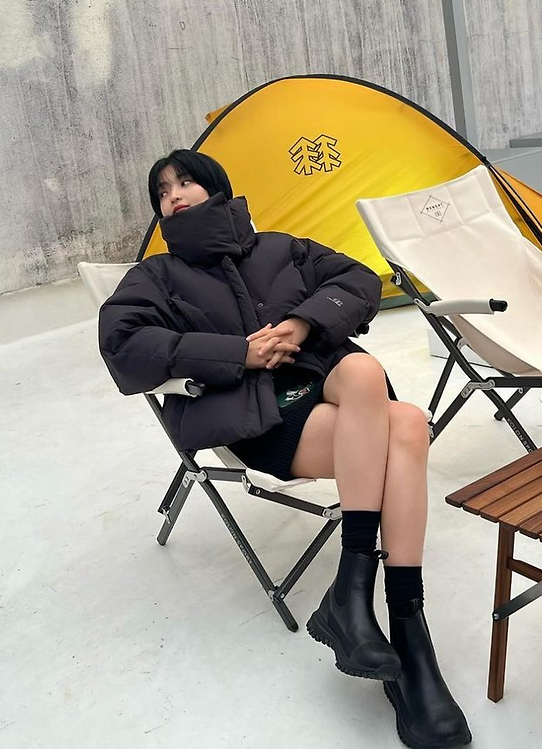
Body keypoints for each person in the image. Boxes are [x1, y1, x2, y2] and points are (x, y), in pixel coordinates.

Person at [98, 149, 471, 749]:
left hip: (332, 386)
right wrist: (236, 354)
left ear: (217, 188)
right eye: (162, 191)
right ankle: (402, 624)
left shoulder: (280, 248)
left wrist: (302, 323)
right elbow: (124, 345)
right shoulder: (157, 276)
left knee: (368, 376)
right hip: (262, 418)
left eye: (186, 181)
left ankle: (361, 598)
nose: (174, 195)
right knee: (405, 426)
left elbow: (358, 280)